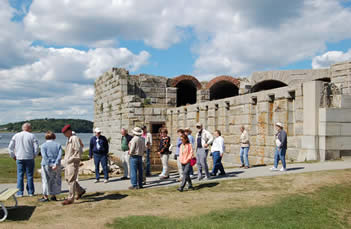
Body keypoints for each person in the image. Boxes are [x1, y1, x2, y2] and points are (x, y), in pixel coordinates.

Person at [8, 123, 39, 197]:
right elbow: (36, 147)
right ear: (29, 128)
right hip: (29, 157)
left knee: (20, 175)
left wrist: (13, 156)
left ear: (23, 128)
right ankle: (30, 192)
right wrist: (34, 155)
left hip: (19, 157)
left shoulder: (16, 135)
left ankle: (20, 192)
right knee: (29, 175)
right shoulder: (32, 136)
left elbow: (10, 147)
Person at [61, 125, 86, 205]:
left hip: (73, 162)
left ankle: (70, 198)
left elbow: (78, 150)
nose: (64, 134)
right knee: (68, 178)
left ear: (69, 131)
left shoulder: (74, 138)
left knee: (71, 179)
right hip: (68, 162)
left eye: (65, 133)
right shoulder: (69, 139)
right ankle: (80, 190)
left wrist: (72, 159)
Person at [39, 131, 62, 202]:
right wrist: (55, 163)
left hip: (46, 164)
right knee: (54, 179)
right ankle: (53, 195)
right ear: (54, 137)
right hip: (56, 165)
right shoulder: (58, 145)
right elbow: (60, 155)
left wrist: (50, 164)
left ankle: (45, 196)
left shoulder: (43, 145)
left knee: (45, 180)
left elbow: (44, 156)